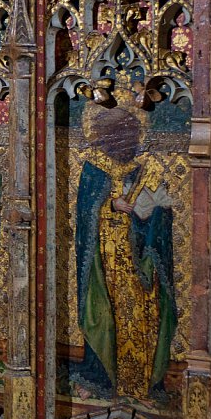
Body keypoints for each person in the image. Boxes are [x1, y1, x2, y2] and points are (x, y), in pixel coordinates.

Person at [72, 99, 177, 403]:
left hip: (138, 258)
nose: (125, 142)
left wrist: (156, 209)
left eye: (129, 136)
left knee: (144, 314)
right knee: (107, 316)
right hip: (105, 260)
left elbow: (157, 206)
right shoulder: (94, 170)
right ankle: (104, 379)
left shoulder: (140, 168)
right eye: (119, 135)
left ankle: (140, 385)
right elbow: (85, 213)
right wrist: (110, 205)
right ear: (106, 136)